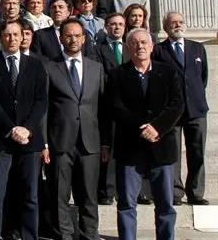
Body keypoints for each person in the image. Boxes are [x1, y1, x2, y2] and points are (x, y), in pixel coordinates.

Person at [107, 28, 183, 240]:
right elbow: (115, 107)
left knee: (165, 204)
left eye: (144, 43)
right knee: (126, 204)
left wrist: (156, 127)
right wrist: (142, 127)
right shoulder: (117, 75)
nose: (139, 46)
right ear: (128, 47)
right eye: (135, 43)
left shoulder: (168, 73)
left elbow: (177, 105)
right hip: (130, 148)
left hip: (162, 146)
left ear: (151, 46)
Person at [0, 20, 48, 240]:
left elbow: (41, 101)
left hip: (30, 142)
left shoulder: (36, 65)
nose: (11, 39)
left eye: (16, 35)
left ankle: (30, 236)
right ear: (0, 38)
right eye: (7, 35)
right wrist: (11, 129)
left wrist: (27, 129)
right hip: (2, 139)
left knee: (30, 195)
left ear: (23, 37)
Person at [44, 19, 109, 240]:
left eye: (77, 35)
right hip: (60, 141)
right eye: (68, 35)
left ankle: (89, 235)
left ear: (84, 38)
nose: (73, 40)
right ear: (61, 38)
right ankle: (64, 235)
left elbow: (104, 109)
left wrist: (106, 143)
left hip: (90, 142)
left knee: (89, 195)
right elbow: (43, 109)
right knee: (60, 195)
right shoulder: (49, 67)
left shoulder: (96, 68)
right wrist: (44, 143)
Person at [153, 12, 210, 206]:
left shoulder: (197, 48)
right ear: (165, 27)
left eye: (180, 22)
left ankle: (196, 192)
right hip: (172, 111)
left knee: (197, 152)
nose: (177, 25)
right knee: (173, 152)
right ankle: (175, 193)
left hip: (196, 109)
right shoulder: (159, 50)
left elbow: (203, 77)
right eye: (172, 23)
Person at [94, 13, 128, 205]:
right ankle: (106, 190)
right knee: (108, 149)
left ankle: (134, 190)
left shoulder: (131, 47)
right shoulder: (97, 49)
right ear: (106, 26)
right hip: (107, 104)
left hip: (130, 106)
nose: (117, 28)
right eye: (113, 24)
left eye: (121, 24)